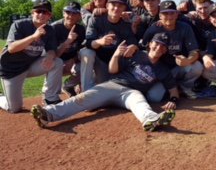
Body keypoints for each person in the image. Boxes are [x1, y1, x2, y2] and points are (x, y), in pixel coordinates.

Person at [31, 33, 178, 132]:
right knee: (82, 98)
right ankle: (48, 115)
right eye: (157, 43)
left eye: (163, 46)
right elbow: (113, 70)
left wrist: (173, 100)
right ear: (150, 43)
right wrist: (116, 54)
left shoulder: (162, 69)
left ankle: (151, 120)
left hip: (132, 92)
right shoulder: (136, 54)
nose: (159, 48)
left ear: (165, 50)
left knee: (140, 103)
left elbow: (173, 90)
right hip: (113, 85)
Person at [0, 0, 63, 113]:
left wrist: (49, 56)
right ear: (32, 12)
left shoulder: (49, 30)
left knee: (56, 62)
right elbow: (11, 48)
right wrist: (34, 36)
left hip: (30, 66)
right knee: (14, 108)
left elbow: (52, 50)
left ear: (50, 16)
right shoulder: (19, 25)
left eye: (45, 12)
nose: (41, 14)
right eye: (38, 11)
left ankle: (50, 99)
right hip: (11, 70)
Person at [142, 0, 203, 99]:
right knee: (154, 97)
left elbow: (194, 51)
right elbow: (143, 49)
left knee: (197, 67)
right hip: (160, 71)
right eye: (165, 13)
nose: (169, 16)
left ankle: (184, 87)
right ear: (160, 15)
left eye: (172, 13)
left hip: (177, 67)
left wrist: (187, 60)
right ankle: (172, 88)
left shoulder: (185, 27)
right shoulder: (153, 29)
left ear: (177, 14)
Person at [80, 0, 138, 91]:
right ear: (107, 5)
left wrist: (133, 46)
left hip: (113, 62)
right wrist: (100, 42)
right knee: (87, 53)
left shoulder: (126, 24)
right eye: (113, 4)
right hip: (98, 58)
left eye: (120, 5)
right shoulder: (96, 19)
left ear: (124, 8)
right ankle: (86, 90)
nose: (116, 8)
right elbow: (89, 43)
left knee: (106, 86)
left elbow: (133, 42)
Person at [51, 1, 85, 97]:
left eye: (74, 13)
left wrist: (74, 60)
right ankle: (48, 94)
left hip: (71, 63)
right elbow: (51, 55)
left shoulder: (81, 29)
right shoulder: (54, 28)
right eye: (68, 12)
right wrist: (67, 42)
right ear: (63, 13)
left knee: (87, 63)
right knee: (55, 63)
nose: (70, 16)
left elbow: (81, 49)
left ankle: (69, 86)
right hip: (54, 62)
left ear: (79, 16)